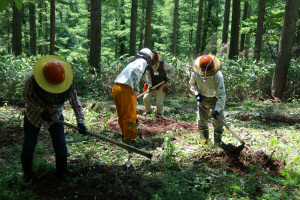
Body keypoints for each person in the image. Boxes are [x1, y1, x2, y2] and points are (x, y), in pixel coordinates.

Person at [21, 55, 87, 183]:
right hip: (33, 115)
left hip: (55, 115)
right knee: (29, 145)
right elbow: (26, 97)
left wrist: (80, 121)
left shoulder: (68, 83)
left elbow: (75, 102)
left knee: (61, 146)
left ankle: (62, 173)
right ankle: (27, 174)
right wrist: (40, 110)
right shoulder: (32, 79)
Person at [112, 48, 154, 142]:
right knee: (130, 115)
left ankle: (126, 135)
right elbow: (135, 71)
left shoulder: (133, 62)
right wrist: (136, 88)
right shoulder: (142, 61)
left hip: (116, 87)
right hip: (125, 89)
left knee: (122, 115)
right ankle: (130, 139)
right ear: (148, 59)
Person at [189, 55, 226, 145]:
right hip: (202, 98)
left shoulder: (218, 76)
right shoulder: (196, 72)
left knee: (218, 122)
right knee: (202, 121)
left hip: (215, 99)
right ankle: (204, 142)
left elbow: (221, 95)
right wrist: (197, 94)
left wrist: (217, 110)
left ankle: (217, 143)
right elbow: (192, 84)